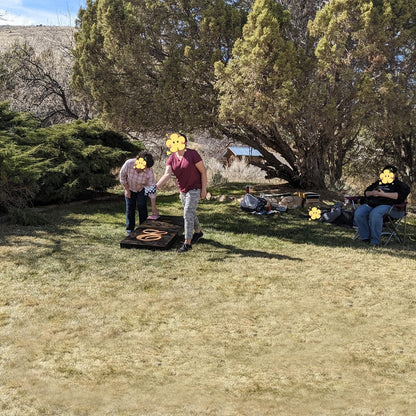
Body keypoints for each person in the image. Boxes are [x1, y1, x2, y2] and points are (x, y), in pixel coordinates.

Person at [156, 133, 207, 253]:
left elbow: (203, 172)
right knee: (190, 212)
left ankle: (187, 243)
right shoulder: (172, 158)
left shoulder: (192, 154)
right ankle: (198, 232)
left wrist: (204, 189)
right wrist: (156, 186)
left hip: (195, 188)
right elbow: (167, 174)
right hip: (182, 190)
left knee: (187, 213)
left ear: (184, 142)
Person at [353, 165, 410, 246]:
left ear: (394, 174)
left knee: (375, 213)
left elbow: (400, 196)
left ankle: (375, 241)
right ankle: (365, 238)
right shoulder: (378, 183)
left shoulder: (399, 185)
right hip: (373, 204)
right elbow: (366, 192)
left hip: (392, 207)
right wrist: (373, 193)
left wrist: (383, 194)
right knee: (359, 212)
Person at [119, 151, 159, 234]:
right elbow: (122, 177)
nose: (145, 169)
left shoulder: (149, 171)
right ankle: (129, 230)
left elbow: (151, 188)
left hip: (142, 189)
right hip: (129, 187)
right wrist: (127, 190)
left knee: (142, 206)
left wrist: (153, 207)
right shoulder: (129, 163)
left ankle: (143, 228)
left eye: (146, 167)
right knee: (130, 208)